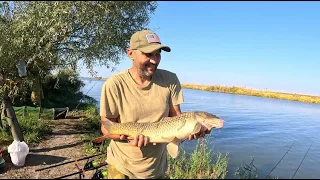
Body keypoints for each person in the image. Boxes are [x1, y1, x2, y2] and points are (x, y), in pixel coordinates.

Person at [100, 30, 211, 179]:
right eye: (148, 54)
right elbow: (106, 126)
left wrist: (191, 131)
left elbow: (176, 118)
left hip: (156, 168)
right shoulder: (114, 84)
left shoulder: (170, 79)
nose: (154, 60)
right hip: (121, 165)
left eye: (158, 54)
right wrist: (127, 137)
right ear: (130, 53)